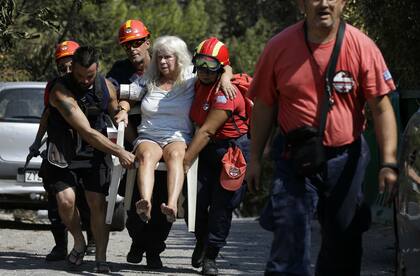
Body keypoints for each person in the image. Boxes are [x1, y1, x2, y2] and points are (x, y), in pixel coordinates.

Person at [247, 1, 398, 275]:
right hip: (294, 156)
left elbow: (381, 107)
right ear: (302, 4)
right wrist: (254, 157)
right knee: (288, 231)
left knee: (344, 240)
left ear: (343, 2)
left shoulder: (362, 46)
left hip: (345, 158)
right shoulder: (279, 47)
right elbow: (264, 105)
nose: (324, 3)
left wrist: (388, 162)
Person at [45, 46, 135, 272]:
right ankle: (79, 240)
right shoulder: (60, 91)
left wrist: (124, 110)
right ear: (72, 68)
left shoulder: (105, 85)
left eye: (90, 76)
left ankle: (101, 258)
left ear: (97, 70)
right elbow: (86, 131)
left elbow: (115, 112)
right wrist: (120, 152)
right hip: (64, 151)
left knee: (97, 203)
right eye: (80, 76)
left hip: (94, 153)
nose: (85, 81)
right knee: (66, 201)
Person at [106, 19, 170, 268]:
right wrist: (118, 108)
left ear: (147, 42)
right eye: (127, 45)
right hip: (135, 140)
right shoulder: (120, 69)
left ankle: (154, 251)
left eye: (136, 43)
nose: (132, 49)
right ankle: (138, 241)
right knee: (134, 198)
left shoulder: (164, 64)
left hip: (165, 142)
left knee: (163, 197)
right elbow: (109, 89)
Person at [183, 37, 250, 276]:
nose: (204, 70)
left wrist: (184, 163)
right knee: (196, 200)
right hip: (207, 149)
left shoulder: (226, 92)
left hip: (231, 151)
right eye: (200, 63)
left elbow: (207, 130)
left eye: (212, 66)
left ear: (220, 67)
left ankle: (211, 255)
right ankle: (201, 241)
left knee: (221, 206)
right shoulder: (198, 83)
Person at [28, 40, 95, 261]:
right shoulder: (54, 87)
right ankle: (60, 245)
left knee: (87, 199)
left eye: (69, 66)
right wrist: (37, 142)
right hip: (58, 150)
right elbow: (47, 115)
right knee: (57, 202)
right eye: (62, 67)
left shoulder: (92, 86)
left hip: (85, 149)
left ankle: (91, 240)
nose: (66, 71)